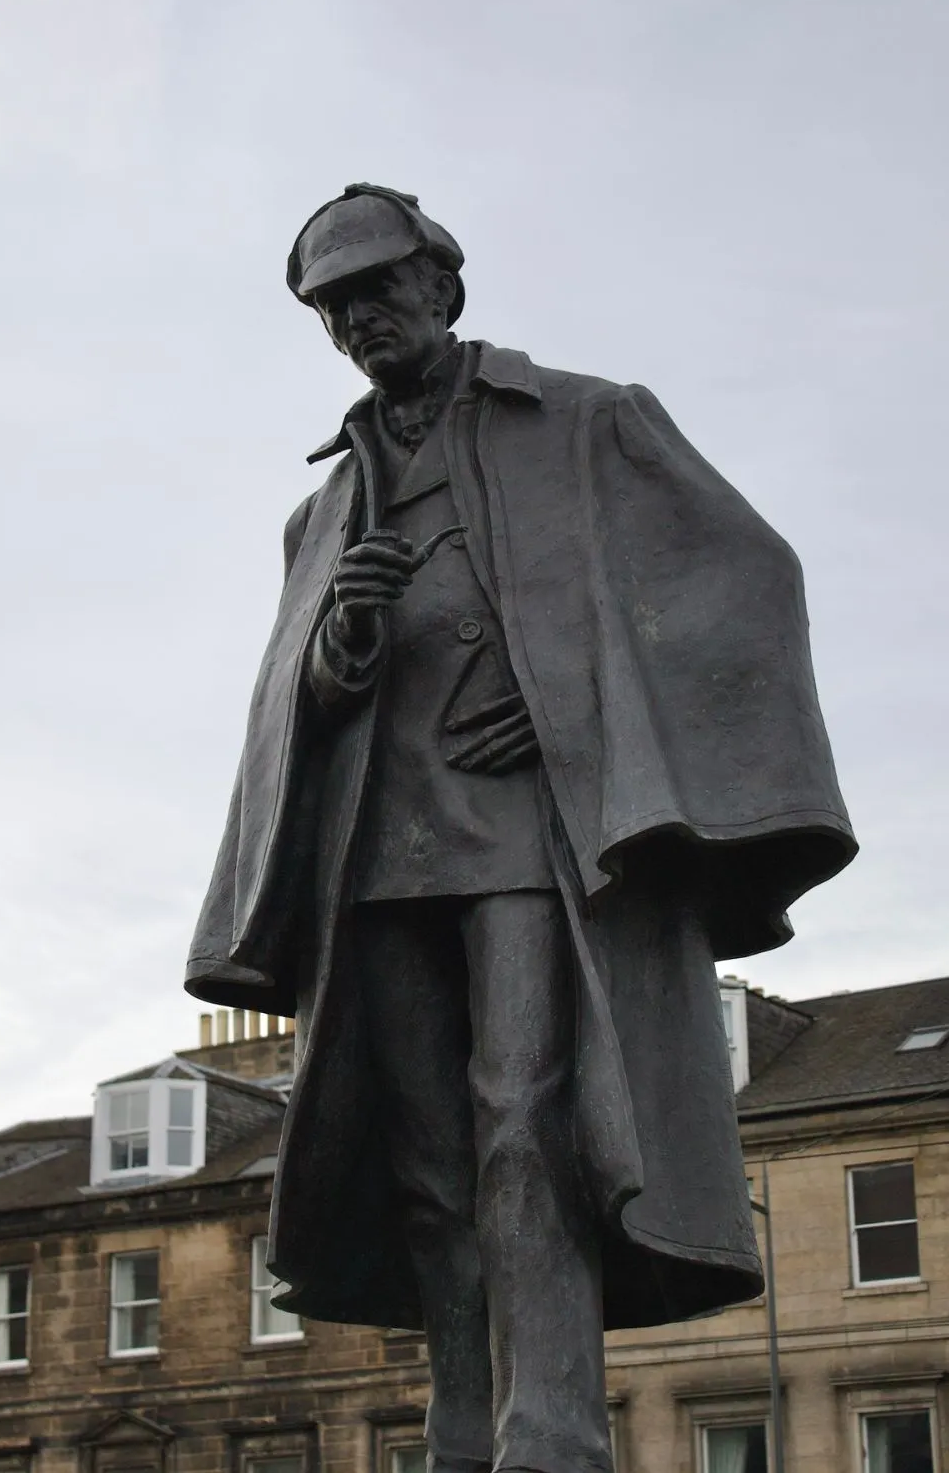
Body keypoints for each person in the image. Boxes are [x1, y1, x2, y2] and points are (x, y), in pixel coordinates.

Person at [186, 184, 855, 1473]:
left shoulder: (590, 423)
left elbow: (744, 583)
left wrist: (567, 716)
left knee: (525, 1122)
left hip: (528, 842)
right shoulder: (320, 511)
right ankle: (459, 1428)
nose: (361, 318)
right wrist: (343, 643)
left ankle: (549, 1430)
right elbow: (297, 700)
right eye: (335, 307)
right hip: (376, 849)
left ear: (443, 282)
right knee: (427, 1147)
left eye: (379, 287)